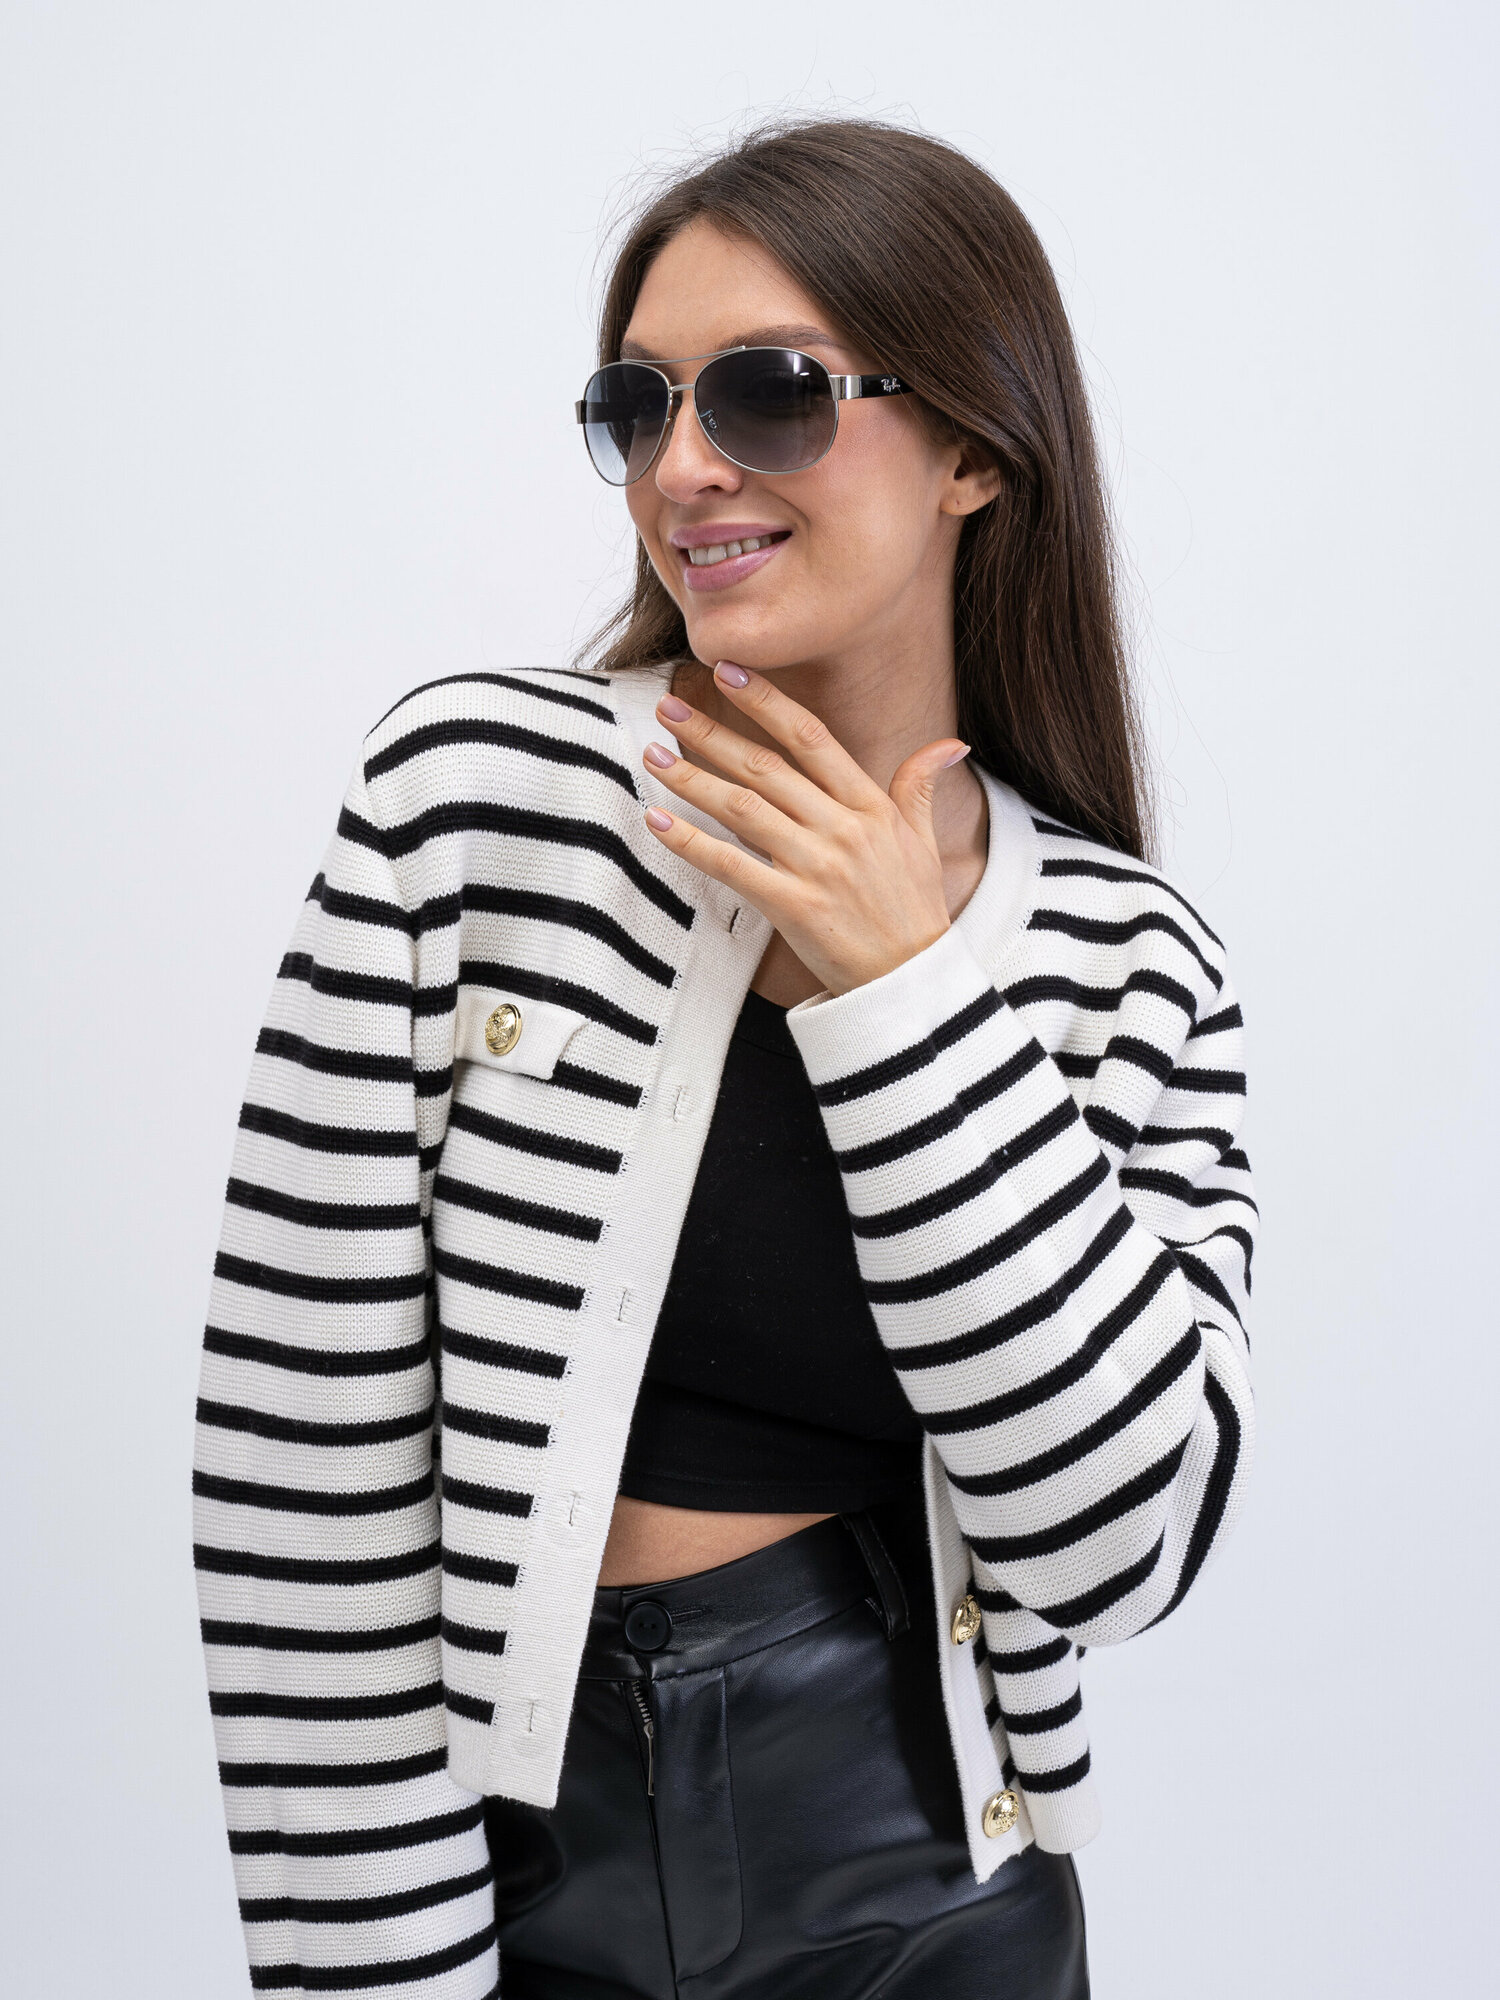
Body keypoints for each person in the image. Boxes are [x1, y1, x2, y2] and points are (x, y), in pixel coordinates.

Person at [194, 117, 1256, 1999]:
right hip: (512, 1861)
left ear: (976, 454)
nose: (683, 467)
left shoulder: (1125, 959)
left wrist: (901, 987)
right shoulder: (469, 806)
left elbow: (1124, 1544)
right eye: (640, 404)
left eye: (769, 393)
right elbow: (299, 1463)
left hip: (932, 1891)